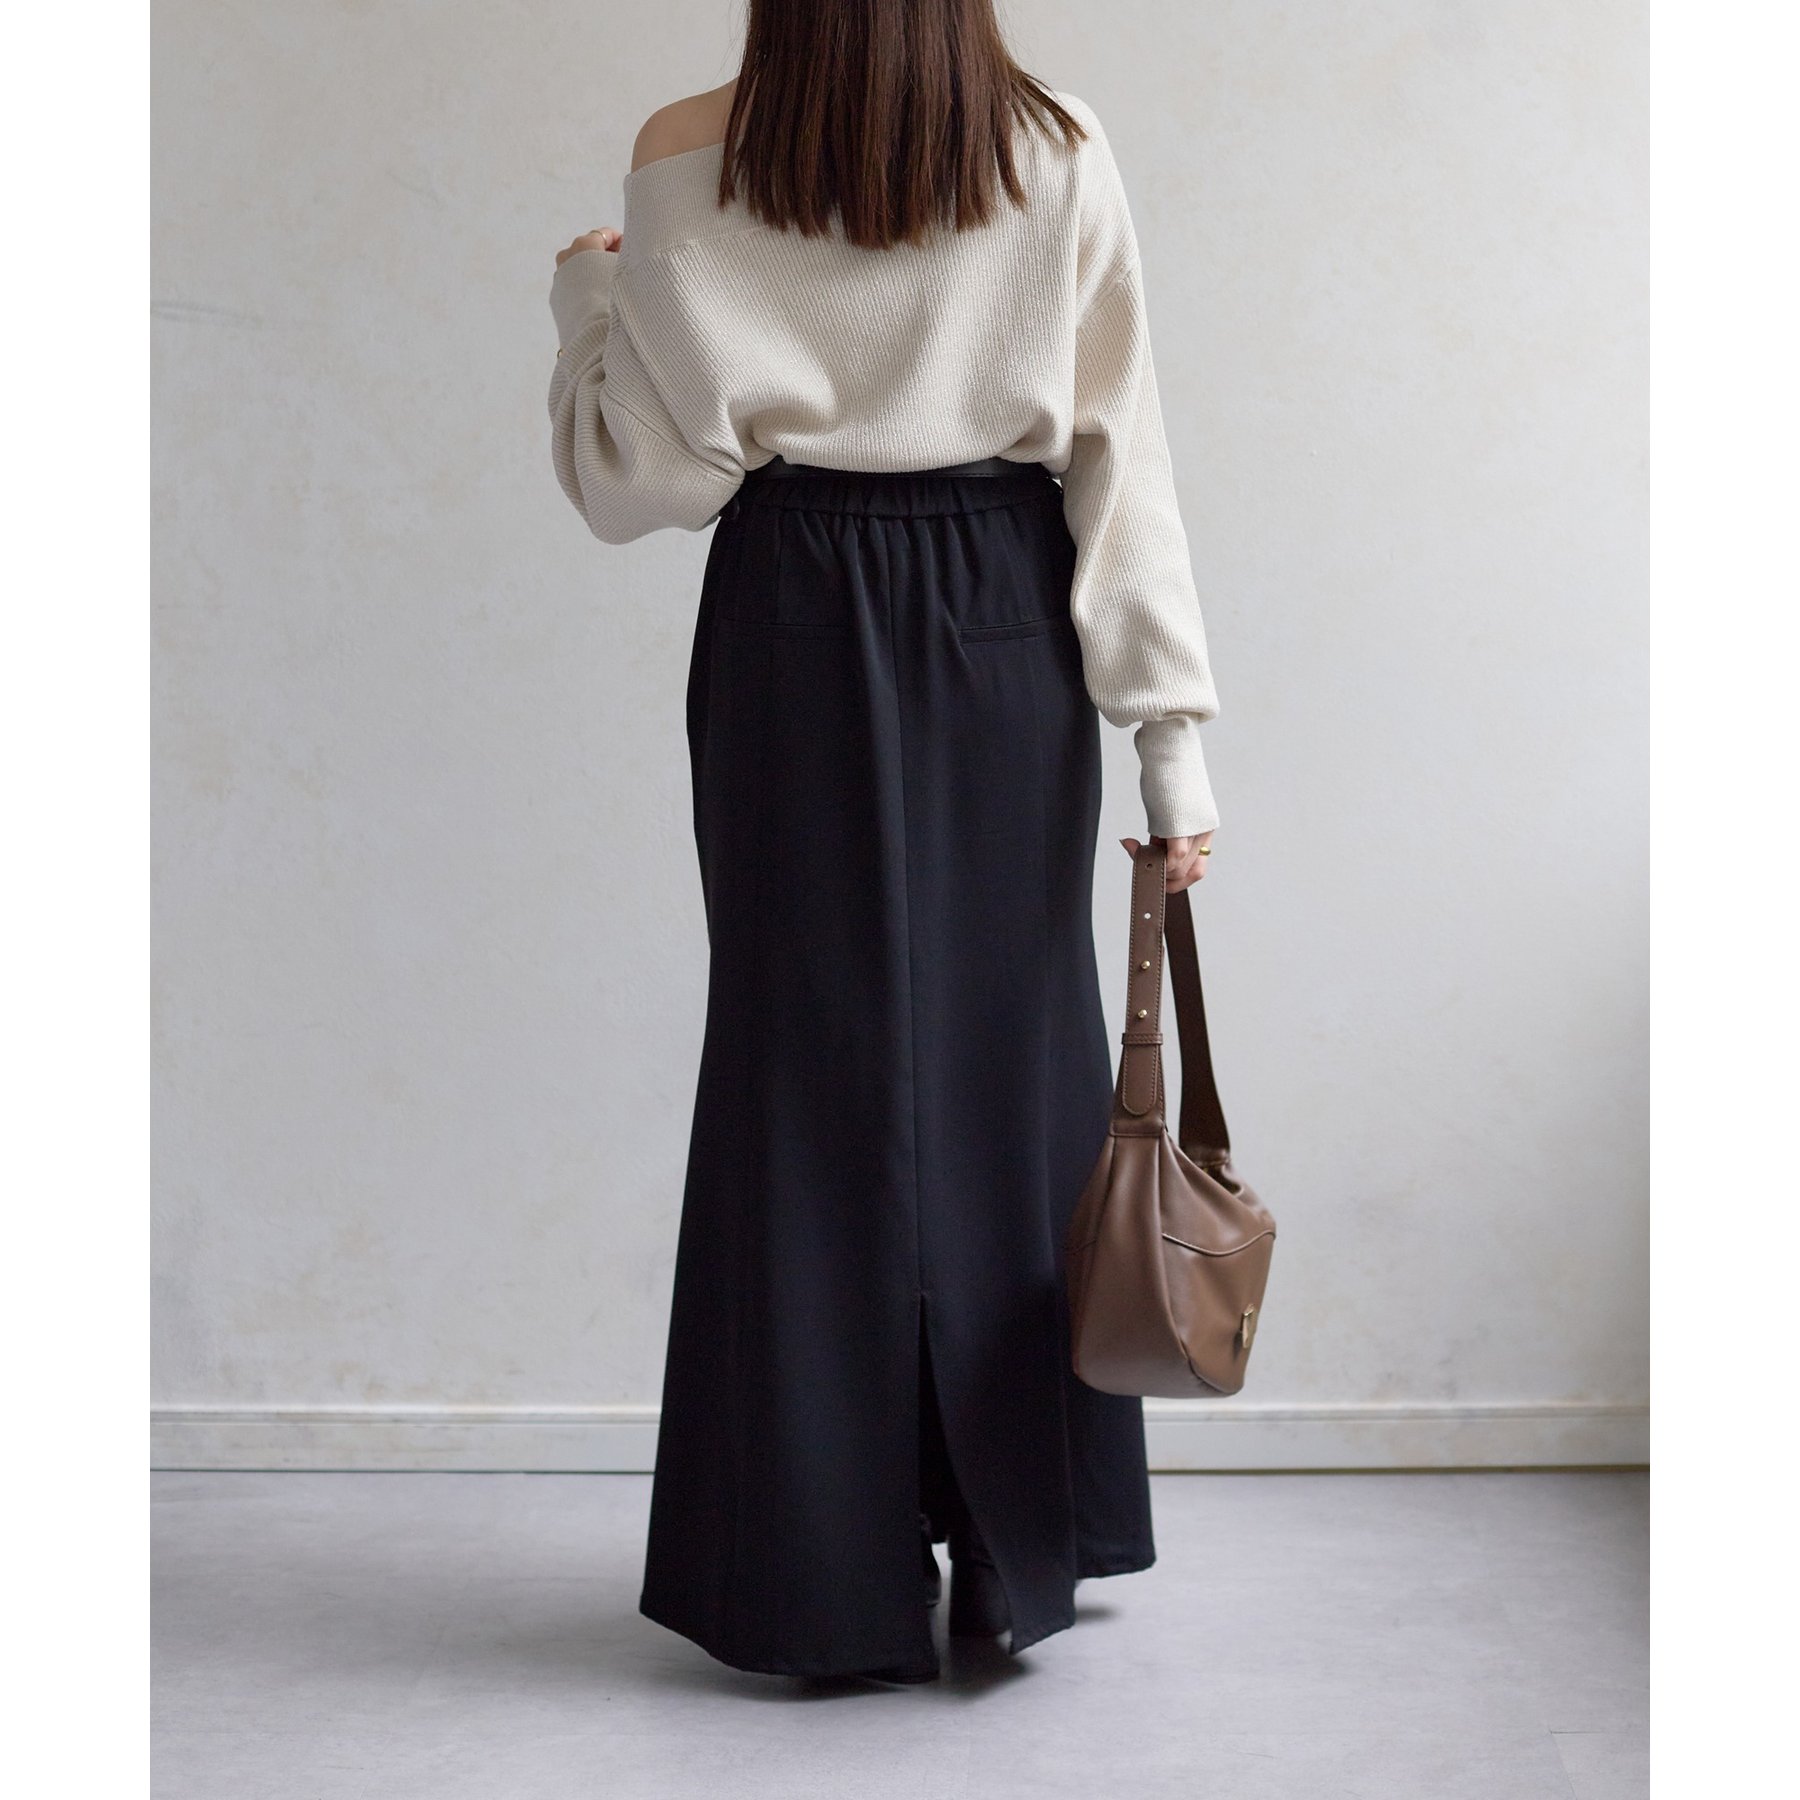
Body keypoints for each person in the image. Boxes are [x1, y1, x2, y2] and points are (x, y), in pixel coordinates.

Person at [544, 0, 1220, 1685]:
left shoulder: (689, 151)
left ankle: (814, 1576)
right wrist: (1171, 749)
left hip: (791, 612)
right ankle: (1012, 1545)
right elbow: (1115, 445)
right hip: (1005, 607)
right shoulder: (1055, 144)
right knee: (1017, 1060)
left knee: (803, 1072)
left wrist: (586, 302)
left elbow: (640, 483)